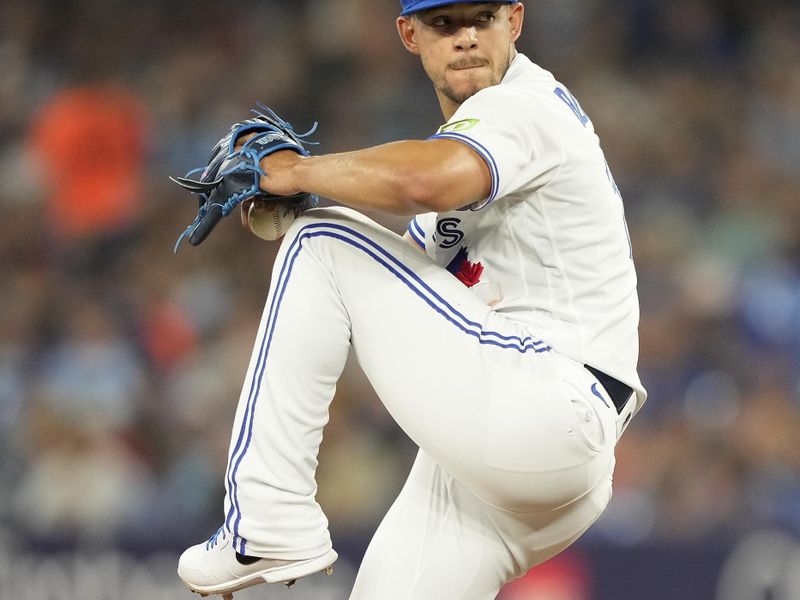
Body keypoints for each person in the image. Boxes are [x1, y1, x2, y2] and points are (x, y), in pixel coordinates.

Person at [177, 1, 646, 598]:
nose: (467, 38)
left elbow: (423, 181)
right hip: (512, 458)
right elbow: (391, 288)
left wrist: (295, 172)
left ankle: (267, 519)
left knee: (320, 242)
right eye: (445, 23)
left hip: (550, 402)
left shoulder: (523, 104)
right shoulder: (461, 163)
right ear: (409, 33)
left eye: (483, 18)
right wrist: (303, 194)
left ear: (516, 22)